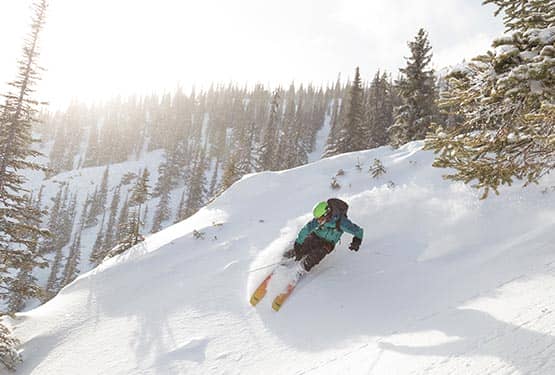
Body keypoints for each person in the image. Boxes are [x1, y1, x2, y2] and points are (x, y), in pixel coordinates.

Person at [284, 198, 363, 277]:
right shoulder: (319, 220)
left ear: (327, 214)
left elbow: (358, 231)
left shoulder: (342, 223)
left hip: (328, 243)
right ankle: (287, 257)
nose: (318, 221)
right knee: (304, 246)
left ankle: (303, 268)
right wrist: (298, 243)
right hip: (316, 236)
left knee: (316, 255)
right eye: (317, 219)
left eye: (320, 219)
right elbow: (306, 229)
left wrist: (356, 241)